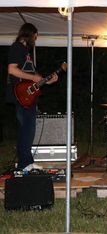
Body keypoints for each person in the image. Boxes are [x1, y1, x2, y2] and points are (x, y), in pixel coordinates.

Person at [6, 23, 58, 171]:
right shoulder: (17, 48)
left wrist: (47, 81)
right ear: (29, 34)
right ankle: (25, 165)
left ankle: (27, 163)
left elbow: (33, 78)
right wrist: (34, 78)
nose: (35, 39)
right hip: (21, 96)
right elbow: (12, 70)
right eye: (35, 36)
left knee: (27, 130)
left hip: (28, 96)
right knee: (27, 130)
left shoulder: (25, 52)